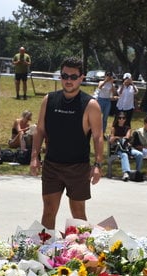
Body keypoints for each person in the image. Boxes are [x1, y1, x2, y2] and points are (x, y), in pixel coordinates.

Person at [30, 57, 104, 231]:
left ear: (81, 78)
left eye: (73, 76)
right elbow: (39, 130)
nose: (68, 80)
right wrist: (35, 157)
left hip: (78, 167)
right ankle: (45, 251)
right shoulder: (49, 99)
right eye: (65, 76)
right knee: (48, 211)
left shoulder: (90, 104)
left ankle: (82, 253)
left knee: (78, 214)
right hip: (52, 165)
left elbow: (98, 137)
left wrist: (98, 165)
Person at [110, 113, 144, 181]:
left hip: (127, 147)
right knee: (124, 155)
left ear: (125, 119)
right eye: (120, 118)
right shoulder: (114, 128)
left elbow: (127, 137)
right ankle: (126, 173)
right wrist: (118, 138)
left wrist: (117, 137)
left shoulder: (128, 128)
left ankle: (137, 172)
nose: (121, 119)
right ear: (117, 119)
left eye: (123, 118)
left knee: (139, 154)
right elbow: (111, 139)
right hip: (118, 148)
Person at [95, 71, 116, 139]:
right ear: (105, 76)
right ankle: (96, 132)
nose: (109, 77)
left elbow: (114, 92)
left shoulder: (111, 84)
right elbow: (100, 87)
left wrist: (112, 83)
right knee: (98, 117)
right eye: (107, 75)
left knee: (105, 118)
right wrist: (105, 81)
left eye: (110, 76)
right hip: (100, 100)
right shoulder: (101, 82)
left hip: (107, 101)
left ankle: (102, 133)